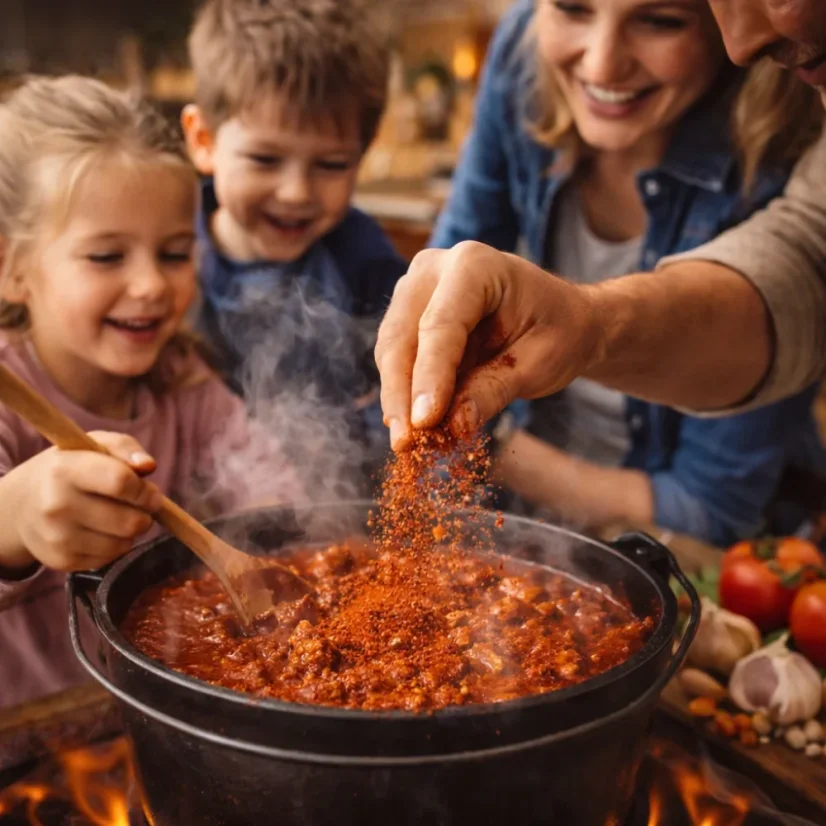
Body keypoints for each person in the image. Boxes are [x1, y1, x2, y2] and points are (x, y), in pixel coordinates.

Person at [424, 0, 822, 546]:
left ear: (722, 22)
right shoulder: (525, 48)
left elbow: (709, 512)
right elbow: (442, 318)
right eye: (570, 8)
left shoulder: (787, 115)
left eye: (660, 21)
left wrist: (491, 447)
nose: (603, 66)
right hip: (518, 518)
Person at [0, 76, 287, 709]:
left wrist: (282, 534)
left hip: (149, 721)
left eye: (176, 253)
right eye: (106, 257)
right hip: (26, 745)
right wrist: (16, 517)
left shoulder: (184, 380)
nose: (152, 285)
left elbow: (274, 493)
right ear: (11, 268)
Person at [181, 0, 408, 488]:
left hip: (349, 513)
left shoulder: (364, 258)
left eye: (330, 165)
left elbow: (407, 399)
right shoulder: (169, 263)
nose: (296, 193)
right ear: (203, 140)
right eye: (265, 159)